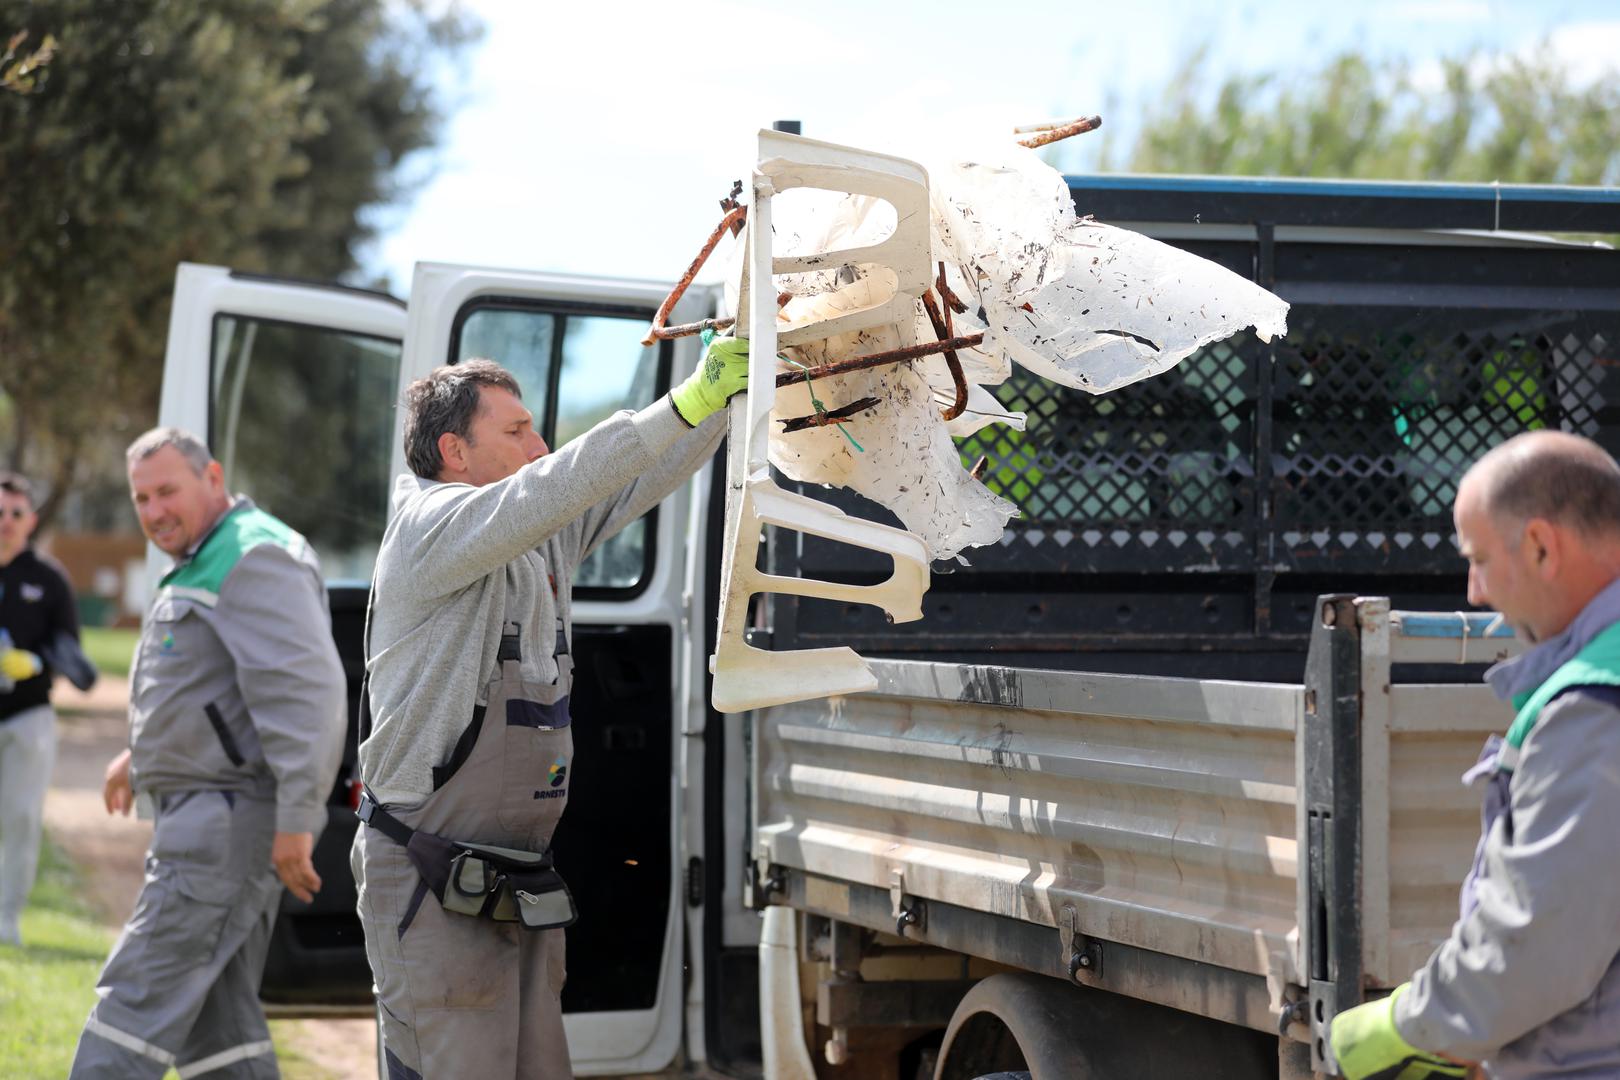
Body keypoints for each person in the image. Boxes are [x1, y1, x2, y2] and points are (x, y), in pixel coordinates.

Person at [353, 340, 748, 1079]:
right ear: (453, 451)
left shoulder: (536, 540)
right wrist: (683, 400)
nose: (539, 446)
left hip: (514, 882)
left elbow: (630, 479)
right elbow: (552, 486)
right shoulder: (429, 526)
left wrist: (726, 406)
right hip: (427, 881)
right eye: (515, 431)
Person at [1330, 430, 1620, 1079]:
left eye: (1481, 559)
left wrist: (1405, 1024)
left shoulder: (1596, 707)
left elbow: (1541, 942)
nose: (1475, 592)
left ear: (1543, 546)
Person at [70, 428, 346, 1079]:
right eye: (141, 497)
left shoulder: (254, 556)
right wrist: (138, 756)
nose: (154, 510)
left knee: (132, 1005)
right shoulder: (207, 556)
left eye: (167, 490)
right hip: (206, 819)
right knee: (217, 1029)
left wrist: (298, 820)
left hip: (223, 828)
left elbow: (307, 694)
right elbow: (206, 688)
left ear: (213, 477)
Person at [0, 471, 95, 946]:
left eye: (16, 513)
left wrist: (37, 662)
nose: (6, 522)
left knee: (18, 816)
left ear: (31, 520)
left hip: (28, 715)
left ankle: (7, 920)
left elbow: (70, 651)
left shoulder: (49, 579)